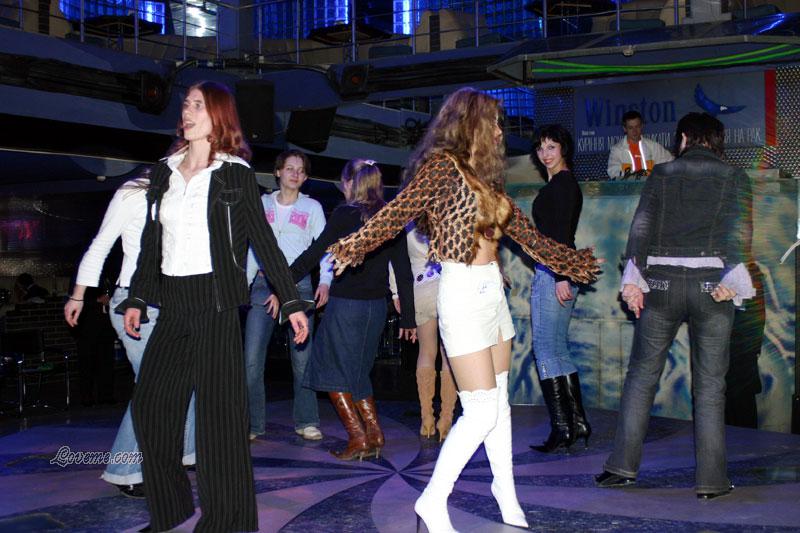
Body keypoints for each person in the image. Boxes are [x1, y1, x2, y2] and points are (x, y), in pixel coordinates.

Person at [326, 88, 601, 531]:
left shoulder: (487, 181)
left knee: (499, 406)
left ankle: (505, 491)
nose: (500, 131)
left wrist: (573, 263)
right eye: (494, 123)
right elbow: (396, 213)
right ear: (471, 123)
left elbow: (529, 238)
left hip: (493, 295)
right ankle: (433, 500)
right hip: (462, 294)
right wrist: (353, 246)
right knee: (481, 411)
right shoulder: (442, 167)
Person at [118, 81, 309, 532]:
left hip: (216, 303)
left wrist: (291, 300)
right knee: (150, 409)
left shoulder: (234, 174)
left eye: (198, 106)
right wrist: (138, 296)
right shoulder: (163, 172)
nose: (187, 111)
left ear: (218, 116)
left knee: (219, 424)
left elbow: (264, 242)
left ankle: (227, 523)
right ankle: (171, 510)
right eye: (185, 104)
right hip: (172, 301)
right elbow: (151, 242)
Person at [595, 112, 754, 501]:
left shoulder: (662, 174)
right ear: (717, 141)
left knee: (641, 377)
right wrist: (732, 280)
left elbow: (641, 227)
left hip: (662, 285)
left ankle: (621, 469)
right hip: (711, 285)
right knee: (711, 386)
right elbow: (740, 230)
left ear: (683, 138)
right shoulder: (734, 176)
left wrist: (633, 281)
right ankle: (711, 482)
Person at [64, 177, 196, 499]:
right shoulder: (135, 192)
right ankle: (125, 469)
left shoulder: (190, 197)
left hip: (176, 305)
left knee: (189, 377)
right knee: (155, 385)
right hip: (134, 303)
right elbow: (101, 245)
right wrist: (78, 295)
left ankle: (185, 452)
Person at [290, 158, 416, 461]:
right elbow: (404, 272)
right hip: (376, 309)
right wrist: (408, 318)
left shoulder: (345, 214)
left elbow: (313, 254)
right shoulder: (391, 217)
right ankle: (374, 434)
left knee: (330, 370)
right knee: (358, 373)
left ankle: (358, 437)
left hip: (346, 306)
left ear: (350, 183)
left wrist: (282, 281)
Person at [244, 149, 331, 442]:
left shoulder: (312, 208)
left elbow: (325, 248)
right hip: (263, 285)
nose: (295, 173)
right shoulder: (262, 203)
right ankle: (253, 423)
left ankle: (306, 421)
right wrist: (245, 285)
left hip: (300, 287)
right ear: (278, 172)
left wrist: (326, 281)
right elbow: (252, 248)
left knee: (302, 360)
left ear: (305, 178)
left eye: (300, 170)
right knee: (251, 359)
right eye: (290, 168)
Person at [528, 124, 590, 453]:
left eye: (551, 147)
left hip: (554, 274)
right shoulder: (561, 183)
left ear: (564, 148)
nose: (545, 153)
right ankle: (577, 423)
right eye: (541, 148)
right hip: (559, 272)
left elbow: (562, 234)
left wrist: (560, 275)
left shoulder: (563, 184)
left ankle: (562, 428)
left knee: (545, 350)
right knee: (558, 350)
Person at [607, 110, 673, 179]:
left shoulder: (653, 146)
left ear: (642, 126)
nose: (634, 131)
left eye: (637, 126)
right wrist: (634, 178)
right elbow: (613, 172)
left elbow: (669, 162)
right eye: (630, 128)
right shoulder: (617, 150)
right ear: (624, 129)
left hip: (652, 185)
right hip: (628, 185)